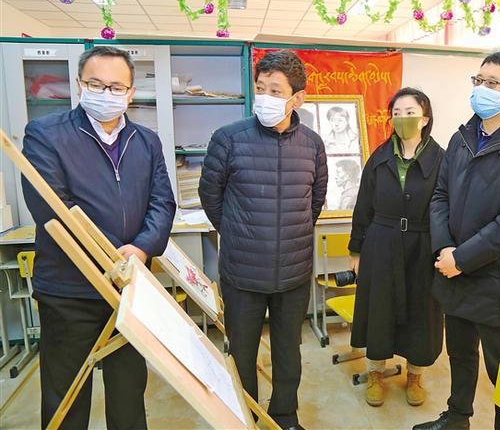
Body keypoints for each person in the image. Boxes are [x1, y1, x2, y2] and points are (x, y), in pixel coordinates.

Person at [22, 46, 176, 429]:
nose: (106, 93)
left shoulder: (147, 141)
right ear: (79, 85)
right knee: (67, 396)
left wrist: (140, 248)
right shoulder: (46, 134)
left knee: (128, 394)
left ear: (130, 91)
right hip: (69, 292)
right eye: (96, 84)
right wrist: (113, 254)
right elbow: (53, 208)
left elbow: (162, 202)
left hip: (127, 289)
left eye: (116, 86)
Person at [415, 52, 500, 430]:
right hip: (453, 271)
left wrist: (462, 259)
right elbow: (440, 196)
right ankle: (457, 417)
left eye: (493, 83)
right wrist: (445, 249)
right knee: (459, 354)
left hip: (495, 281)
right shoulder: (462, 138)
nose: (481, 89)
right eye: (478, 81)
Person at [199, 50, 328, 430]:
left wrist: (290, 233)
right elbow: (211, 196)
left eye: (276, 90)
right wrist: (238, 231)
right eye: (260, 88)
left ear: (297, 98)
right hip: (242, 273)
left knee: (289, 351)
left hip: (293, 272)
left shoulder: (313, 144)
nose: (265, 98)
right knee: (241, 352)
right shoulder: (228, 139)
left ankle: (285, 415)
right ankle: (246, 415)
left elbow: (315, 200)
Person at [348, 87, 445, 407]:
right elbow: (363, 206)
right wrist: (356, 250)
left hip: (423, 245)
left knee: (422, 312)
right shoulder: (379, 157)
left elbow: (448, 208)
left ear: (425, 118)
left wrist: (446, 248)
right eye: (397, 113)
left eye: (410, 112)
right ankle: (375, 373)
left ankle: (415, 376)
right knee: (379, 309)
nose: (403, 118)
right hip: (381, 241)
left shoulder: (441, 160)